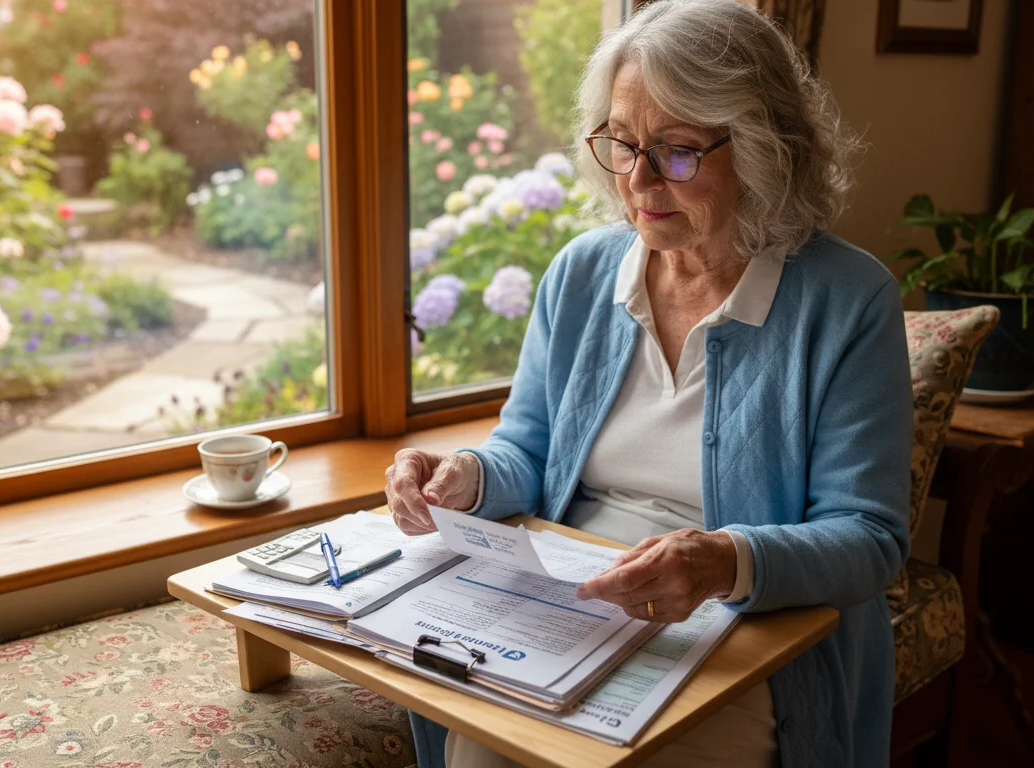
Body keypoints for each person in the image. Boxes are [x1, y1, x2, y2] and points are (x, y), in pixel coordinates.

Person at [384, 1, 911, 766]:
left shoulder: (850, 300)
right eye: (622, 143)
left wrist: (720, 561)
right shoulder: (581, 271)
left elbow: (869, 538)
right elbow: (528, 452)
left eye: (678, 150)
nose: (638, 179)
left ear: (764, 148)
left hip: (743, 633)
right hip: (557, 607)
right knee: (490, 749)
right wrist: (465, 477)